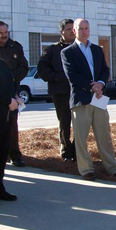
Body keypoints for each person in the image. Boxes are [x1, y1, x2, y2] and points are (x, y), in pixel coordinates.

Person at [61, 18, 116, 181]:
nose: (84, 31)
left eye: (86, 28)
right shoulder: (67, 52)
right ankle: (86, 170)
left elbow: (105, 70)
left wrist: (101, 84)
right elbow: (72, 76)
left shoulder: (97, 50)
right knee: (81, 138)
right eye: (80, 28)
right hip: (81, 100)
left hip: (99, 99)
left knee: (104, 135)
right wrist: (93, 86)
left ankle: (112, 167)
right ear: (74, 31)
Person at [38, 19, 76, 162]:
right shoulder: (52, 50)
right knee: (64, 123)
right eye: (68, 29)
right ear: (61, 32)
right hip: (60, 92)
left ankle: (77, 150)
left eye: (73, 28)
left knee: (80, 123)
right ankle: (66, 151)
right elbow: (42, 69)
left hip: (78, 92)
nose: (71, 31)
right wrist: (56, 77)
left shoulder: (80, 47)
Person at [0, 26, 22, 206]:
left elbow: (11, 82)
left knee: (1, 153)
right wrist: (7, 100)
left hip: (4, 117)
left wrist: (16, 97)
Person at [0, 21, 29, 168]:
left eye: (6, 32)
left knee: (12, 126)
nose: (3, 35)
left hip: (12, 90)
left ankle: (15, 155)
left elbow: (24, 66)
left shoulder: (15, 47)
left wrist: (12, 78)